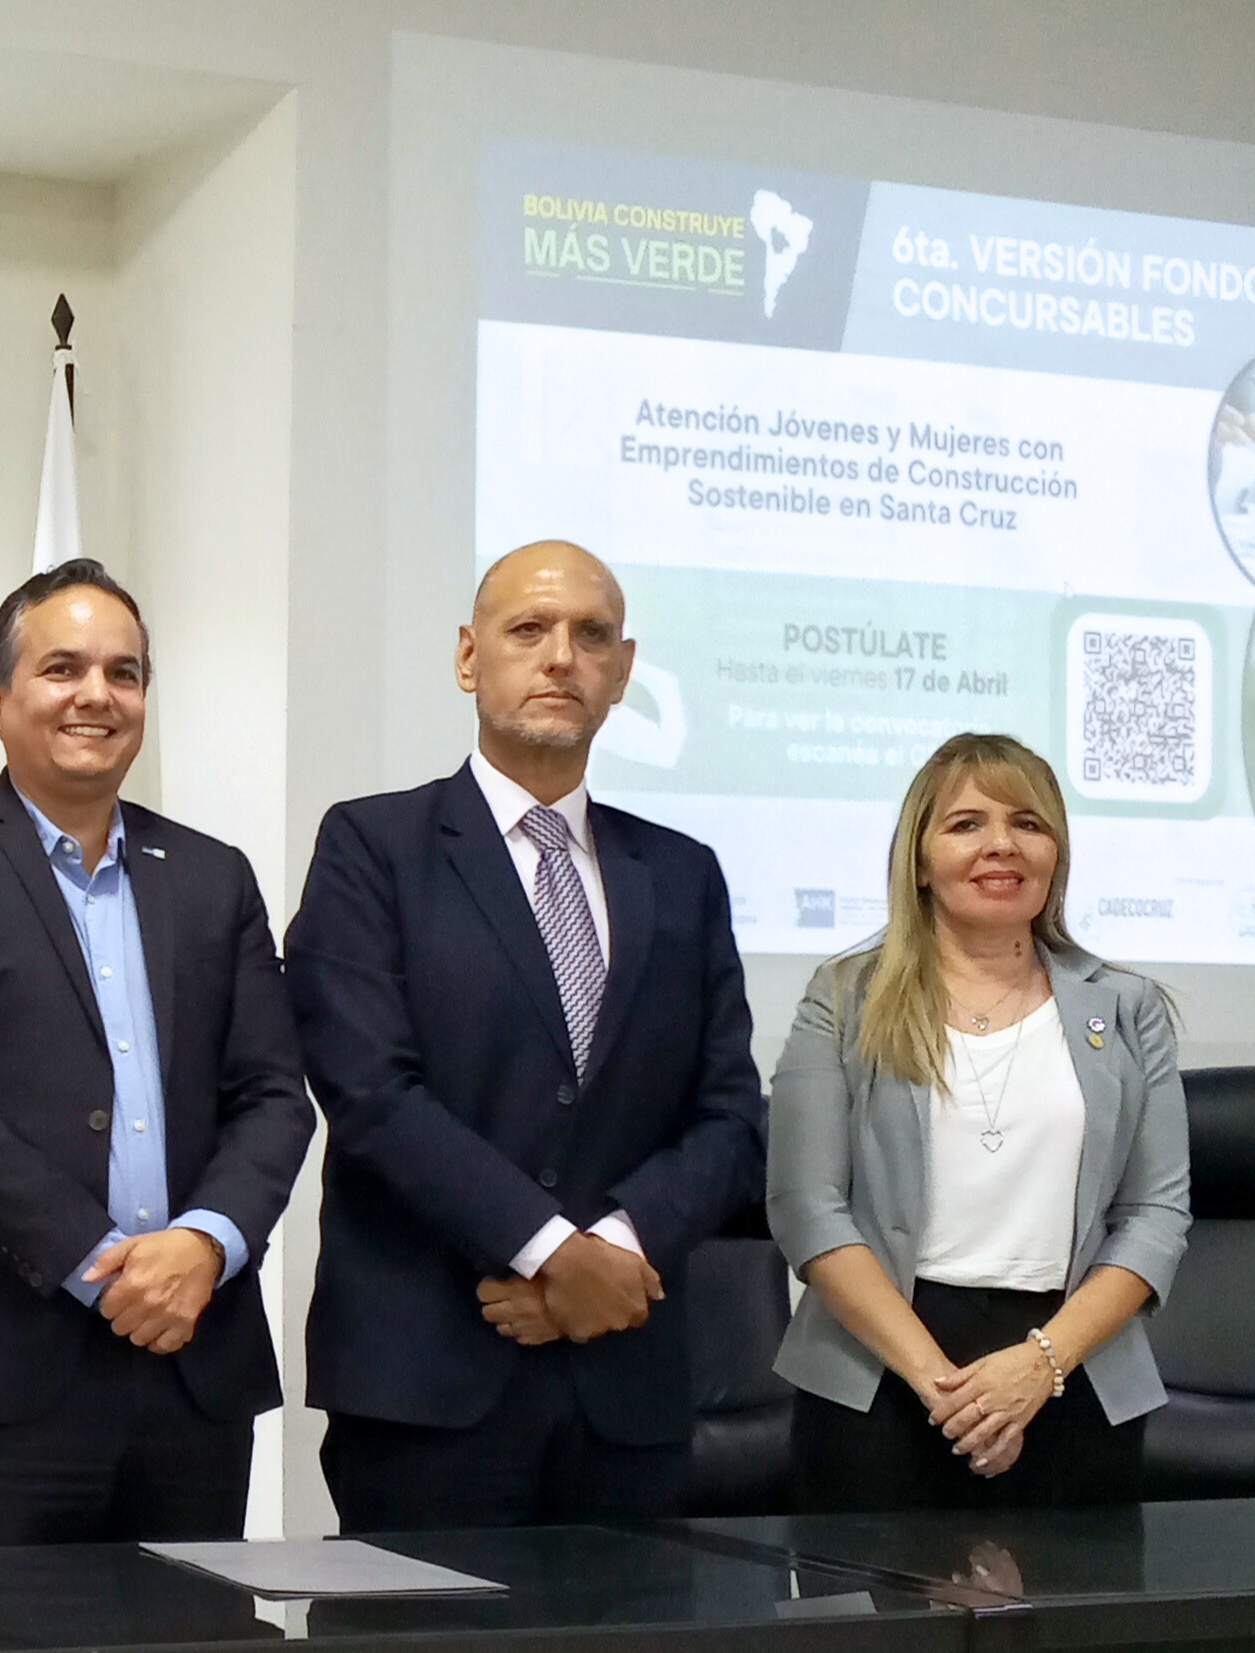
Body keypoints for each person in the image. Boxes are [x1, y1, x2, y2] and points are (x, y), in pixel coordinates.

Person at [285, 540, 765, 1531]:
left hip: (626, 1386)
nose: (561, 657)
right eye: (529, 630)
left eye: (592, 635)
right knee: (426, 1642)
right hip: (429, 1381)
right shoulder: (373, 848)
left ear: (623, 672)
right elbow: (372, 1094)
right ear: (469, 657)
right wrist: (552, 1252)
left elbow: (728, 1117)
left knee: (635, 1640)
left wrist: (611, 1256)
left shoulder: (682, 873)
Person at [0, 558, 314, 1545]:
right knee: (0, 1646)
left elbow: (273, 1095)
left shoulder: (212, 876)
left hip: (193, 1360)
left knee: (193, 1642)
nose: (97, 695)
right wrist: (103, 1264)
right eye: (63, 669)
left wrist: (205, 1245)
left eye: (124, 673)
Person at [768, 734, 1187, 1508]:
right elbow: (807, 1206)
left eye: (1028, 823)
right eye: (967, 824)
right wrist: (949, 1392)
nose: (1002, 844)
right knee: (871, 1596)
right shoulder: (845, 997)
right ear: (920, 862)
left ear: (1056, 854)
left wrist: (1039, 1367)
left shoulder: (1128, 1009)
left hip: (1074, 1375)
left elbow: (1155, 1214)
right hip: (878, 1379)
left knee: (1075, 1594)